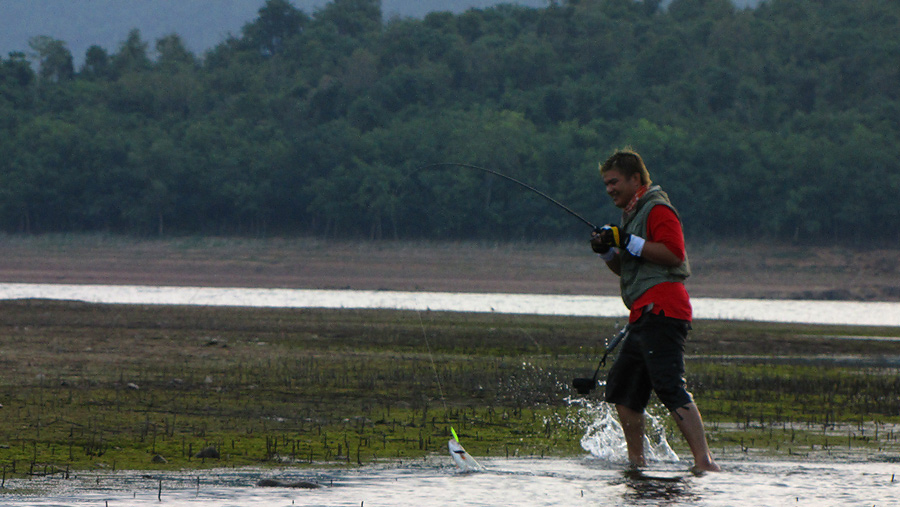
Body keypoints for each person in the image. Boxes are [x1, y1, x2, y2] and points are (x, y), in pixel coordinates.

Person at [590, 148, 720, 473]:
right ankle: (637, 464)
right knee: (623, 390)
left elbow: (674, 254)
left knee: (668, 384)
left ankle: (704, 463)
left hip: (663, 310)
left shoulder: (657, 209)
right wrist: (607, 252)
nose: (609, 189)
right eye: (606, 184)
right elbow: (631, 270)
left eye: (614, 182)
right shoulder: (632, 217)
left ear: (636, 179)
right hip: (641, 315)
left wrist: (627, 240)